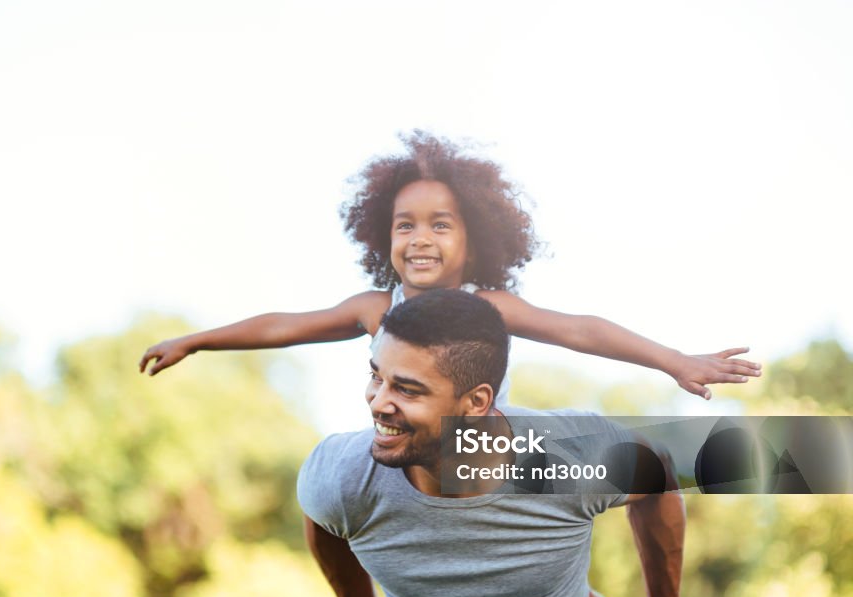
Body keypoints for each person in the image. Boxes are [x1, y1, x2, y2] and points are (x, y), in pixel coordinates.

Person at [139, 130, 760, 402]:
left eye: (441, 225)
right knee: (324, 496)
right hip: (408, 450)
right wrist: (197, 341)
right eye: (405, 225)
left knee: (560, 547)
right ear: (383, 235)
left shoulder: (487, 306)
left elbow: (580, 329)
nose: (420, 240)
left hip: (482, 455)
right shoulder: (375, 309)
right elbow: (283, 325)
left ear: (474, 239)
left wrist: (675, 360)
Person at [298, 289, 685, 597]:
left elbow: (664, 470)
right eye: (375, 377)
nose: (378, 403)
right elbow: (321, 518)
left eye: (407, 389)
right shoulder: (344, 475)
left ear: (476, 402)